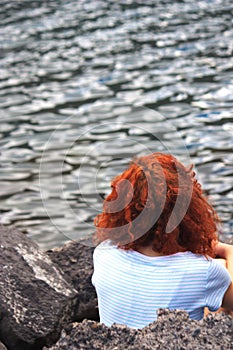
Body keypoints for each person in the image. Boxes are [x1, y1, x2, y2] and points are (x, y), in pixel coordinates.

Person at [91, 152, 233, 329]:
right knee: (221, 280)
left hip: (113, 344)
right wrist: (226, 250)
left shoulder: (103, 252)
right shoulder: (204, 272)